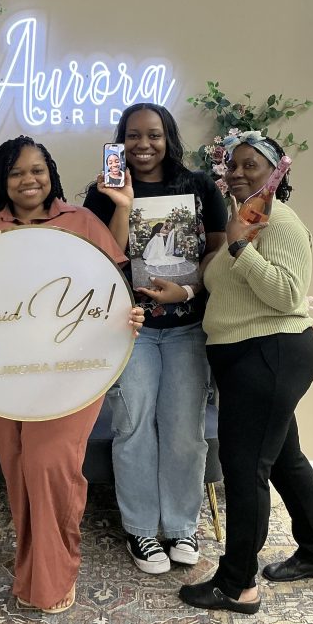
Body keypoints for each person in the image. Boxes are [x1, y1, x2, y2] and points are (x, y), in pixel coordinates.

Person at [0, 135, 145, 614]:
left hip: (73, 370)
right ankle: (32, 566)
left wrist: (127, 314)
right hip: (0, 371)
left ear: (52, 174)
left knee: (51, 466)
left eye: (38, 170)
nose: (29, 180)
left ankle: (53, 574)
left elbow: (109, 282)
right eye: (17, 172)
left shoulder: (81, 221)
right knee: (19, 468)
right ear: (2, 180)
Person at [179, 131, 313, 615]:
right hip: (250, 356)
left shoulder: (280, 222)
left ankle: (237, 584)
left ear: (276, 172)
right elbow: (227, 290)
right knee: (286, 460)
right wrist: (185, 292)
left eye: (253, 164)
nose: (241, 172)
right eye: (234, 165)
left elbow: (289, 296)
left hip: (269, 353)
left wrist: (240, 249)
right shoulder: (242, 220)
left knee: (246, 471)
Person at [83, 104, 226, 574]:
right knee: (133, 427)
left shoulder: (199, 186)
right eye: (133, 136)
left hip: (187, 327)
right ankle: (142, 530)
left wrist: (187, 288)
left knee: (186, 432)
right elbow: (105, 258)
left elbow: (217, 256)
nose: (144, 145)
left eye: (154, 135)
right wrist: (122, 205)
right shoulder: (101, 192)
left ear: (169, 138)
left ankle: (181, 525)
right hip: (131, 329)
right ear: (119, 140)